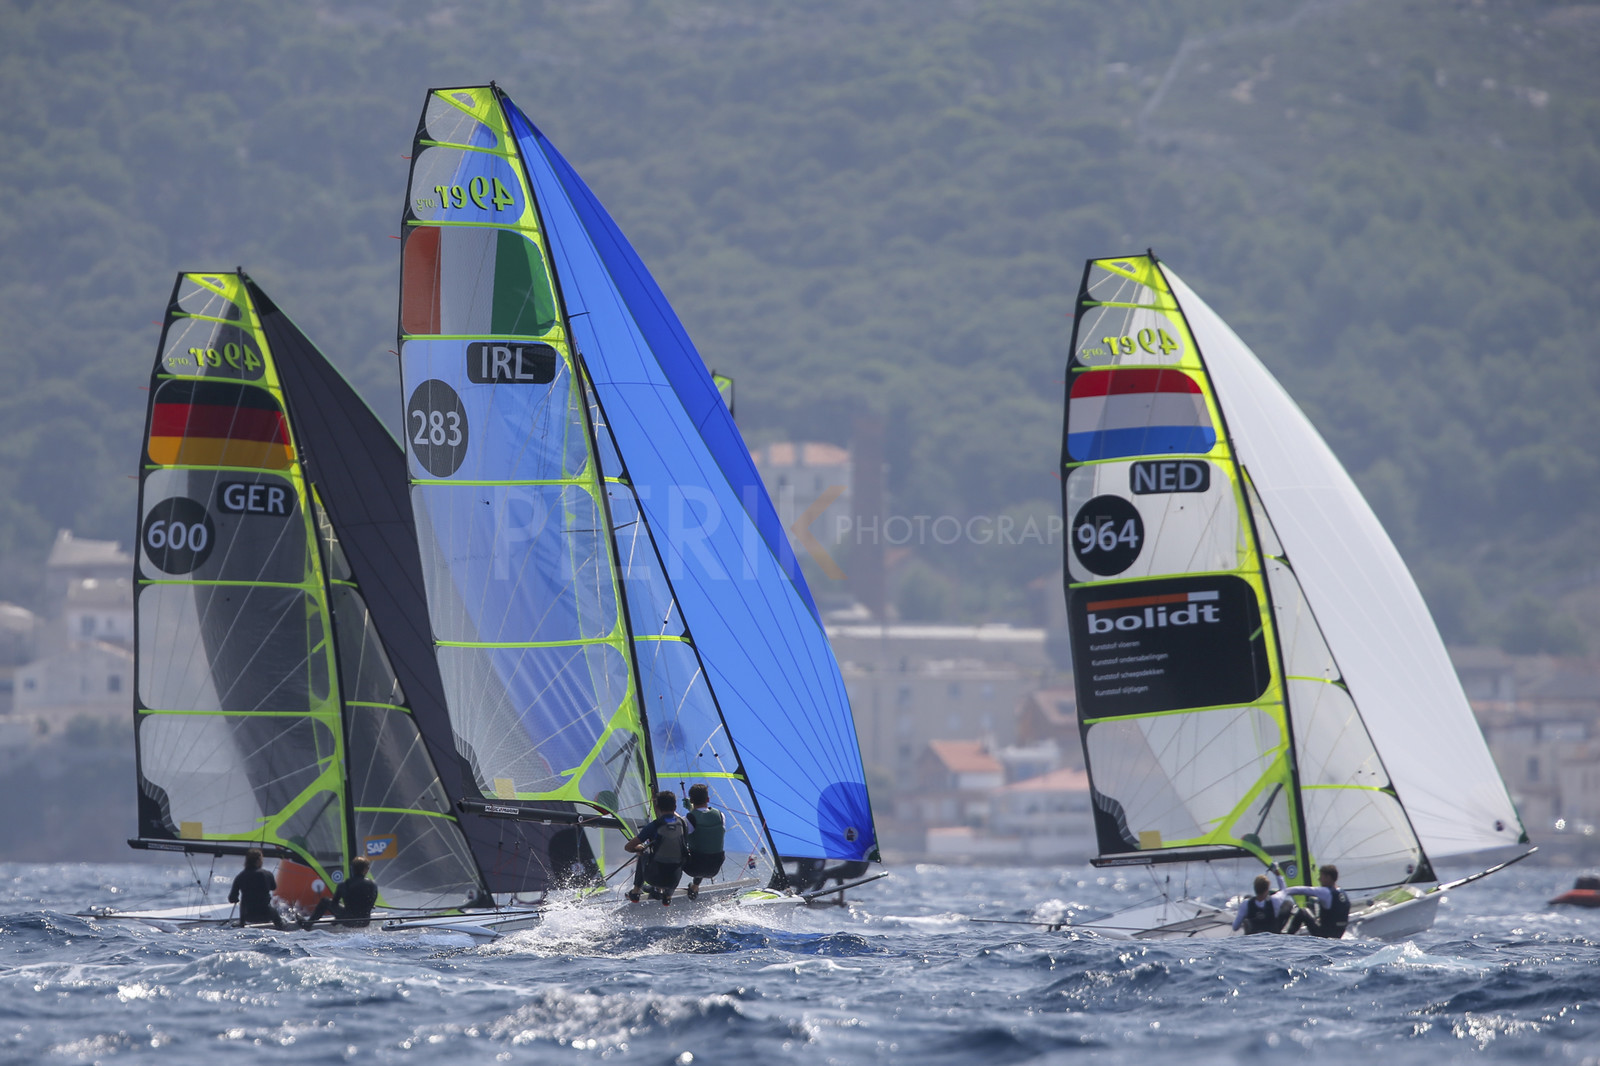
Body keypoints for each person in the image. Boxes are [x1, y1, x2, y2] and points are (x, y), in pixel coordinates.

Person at [625, 791, 692, 905]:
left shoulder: (653, 826)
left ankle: (635, 892)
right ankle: (668, 896)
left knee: (644, 852)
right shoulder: (683, 825)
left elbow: (628, 847)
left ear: (657, 808)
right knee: (680, 854)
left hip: (653, 878)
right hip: (674, 880)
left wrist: (639, 848)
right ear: (675, 807)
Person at [300, 857, 380, 930]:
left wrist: (338, 917)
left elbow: (334, 903)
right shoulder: (373, 885)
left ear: (352, 869)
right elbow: (371, 902)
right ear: (366, 870)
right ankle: (338, 919)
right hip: (365, 922)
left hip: (348, 921)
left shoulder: (343, 885)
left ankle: (308, 924)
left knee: (325, 901)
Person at [682, 784, 726, 901]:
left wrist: (691, 811)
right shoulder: (720, 815)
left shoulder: (688, 819)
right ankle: (695, 886)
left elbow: (681, 822)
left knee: (679, 847)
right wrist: (692, 810)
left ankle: (663, 889)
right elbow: (704, 821)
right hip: (714, 868)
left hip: (694, 868)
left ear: (691, 800)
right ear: (708, 799)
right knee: (705, 848)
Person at [1283, 865, 1350, 938]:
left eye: (1321, 876)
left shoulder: (1325, 891)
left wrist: (1284, 891)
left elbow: (1303, 890)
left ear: (1328, 877)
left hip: (1325, 934)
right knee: (1313, 905)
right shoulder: (1342, 892)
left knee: (1303, 912)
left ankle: (1288, 936)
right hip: (1339, 934)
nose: (1319, 879)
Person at [229, 848, 286, 929]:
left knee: (244, 905)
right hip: (266, 914)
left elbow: (232, 898)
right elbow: (273, 887)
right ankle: (281, 925)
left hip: (248, 916)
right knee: (274, 911)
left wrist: (237, 899)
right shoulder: (267, 874)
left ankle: (241, 924)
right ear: (258, 860)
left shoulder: (240, 876)